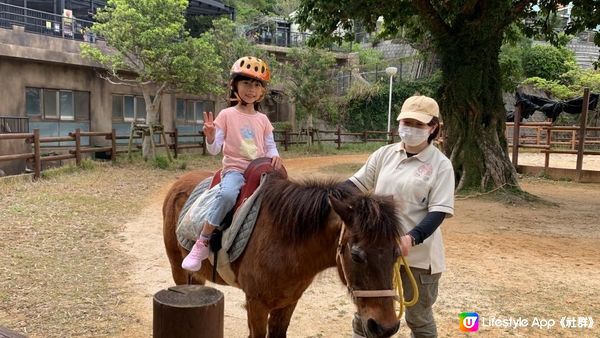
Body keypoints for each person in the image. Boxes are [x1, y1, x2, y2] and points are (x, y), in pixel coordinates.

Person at [347, 95, 455, 338]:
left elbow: (439, 210)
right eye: (407, 122)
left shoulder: (441, 165)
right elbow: (355, 184)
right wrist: (324, 197)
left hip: (418, 256)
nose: (411, 129)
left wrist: (410, 238)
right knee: (367, 311)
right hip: (381, 254)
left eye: (419, 125)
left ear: (433, 127)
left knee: (418, 317)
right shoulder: (384, 154)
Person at [182, 56, 283, 272]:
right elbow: (215, 148)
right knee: (228, 195)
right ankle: (204, 240)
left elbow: (269, 144)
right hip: (236, 170)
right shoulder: (227, 115)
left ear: (262, 92)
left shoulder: (263, 120)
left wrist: (275, 156)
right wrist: (210, 136)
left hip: (262, 170)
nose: (251, 89)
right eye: (246, 82)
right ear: (234, 85)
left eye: (257, 84)